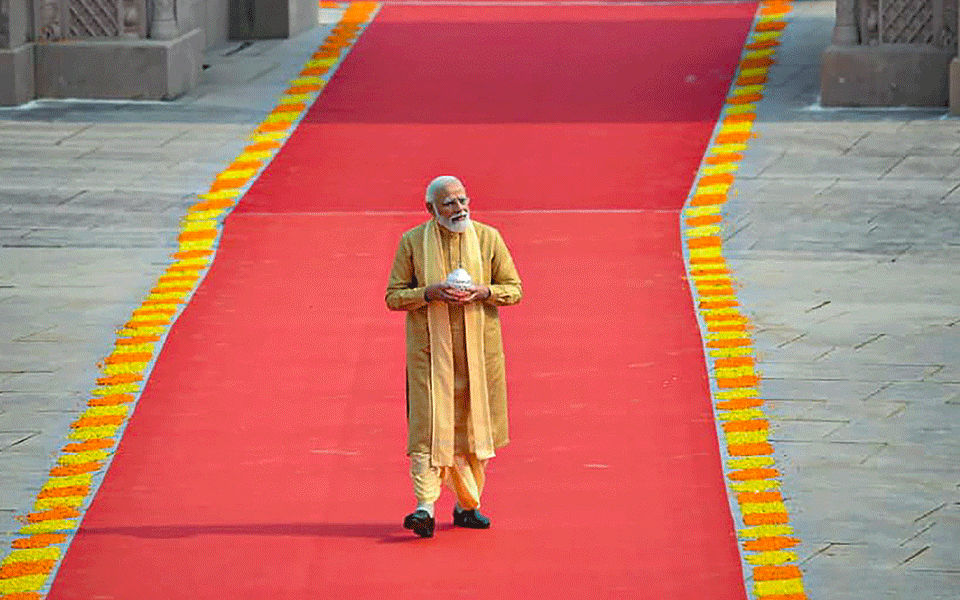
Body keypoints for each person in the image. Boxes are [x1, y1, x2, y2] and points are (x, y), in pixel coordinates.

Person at [385, 175, 522, 538]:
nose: (459, 208)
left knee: (477, 430)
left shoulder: (489, 238)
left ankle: (466, 505)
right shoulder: (412, 242)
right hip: (429, 358)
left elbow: (514, 289)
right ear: (430, 208)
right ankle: (423, 509)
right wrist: (428, 292)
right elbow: (393, 296)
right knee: (428, 430)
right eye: (449, 203)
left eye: (463, 200)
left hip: (481, 357)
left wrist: (483, 291)